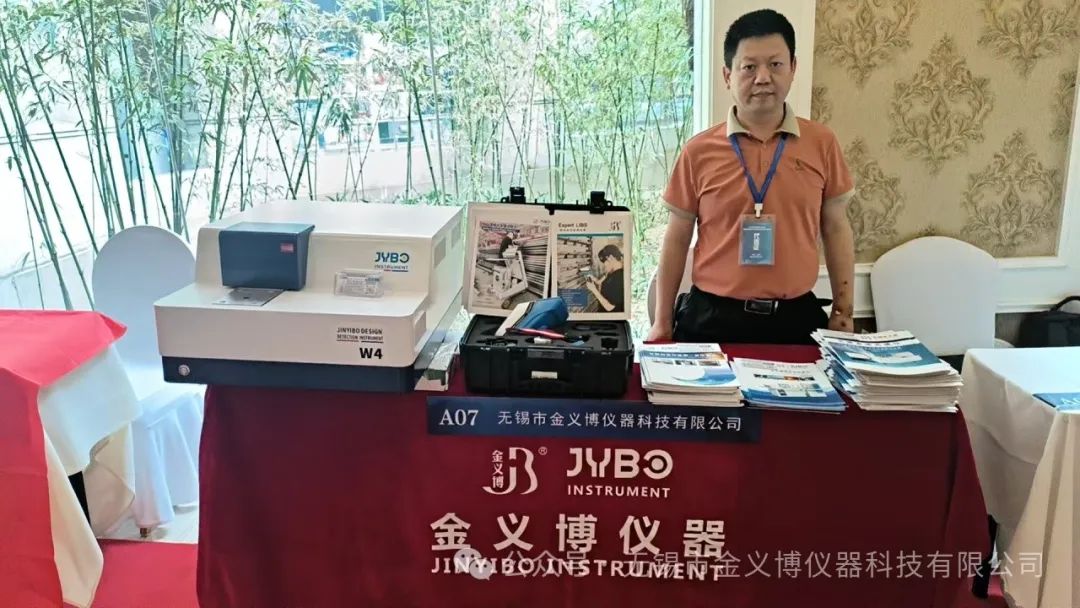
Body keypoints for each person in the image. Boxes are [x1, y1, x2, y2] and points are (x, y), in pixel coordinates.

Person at [646, 8, 855, 345]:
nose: (763, 78)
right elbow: (677, 238)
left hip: (796, 320)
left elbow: (836, 229)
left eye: (775, 64)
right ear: (728, 75)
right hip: (711, 319)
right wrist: (662, 323)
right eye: (749, 67)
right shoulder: (698, 151)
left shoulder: (822, 144)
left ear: (793, 68)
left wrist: (843, 315)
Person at [586, 244, 625, 313]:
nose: (604, 265)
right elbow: (603, 282)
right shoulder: (612, 272)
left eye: (605, 262)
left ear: (611, 258)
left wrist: (594, 290)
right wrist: (595, 280)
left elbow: (610, 307)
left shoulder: (620, 278)